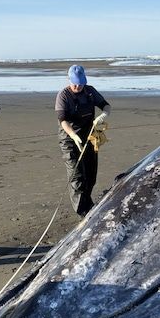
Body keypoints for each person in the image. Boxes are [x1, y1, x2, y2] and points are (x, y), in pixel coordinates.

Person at [55, 64, 111, 217]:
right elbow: (62, 120)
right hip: (70, 139)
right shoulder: (63, 96)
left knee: (91, 174)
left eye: (81, 83)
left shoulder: (90, 91)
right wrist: (73, 135)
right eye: (75, 83)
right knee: (77, 176)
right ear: (69, 81)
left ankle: (88, 203)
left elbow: (106, 106)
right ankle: (83, 212)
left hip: (89, 137)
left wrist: (103, 115)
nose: (78, 86)